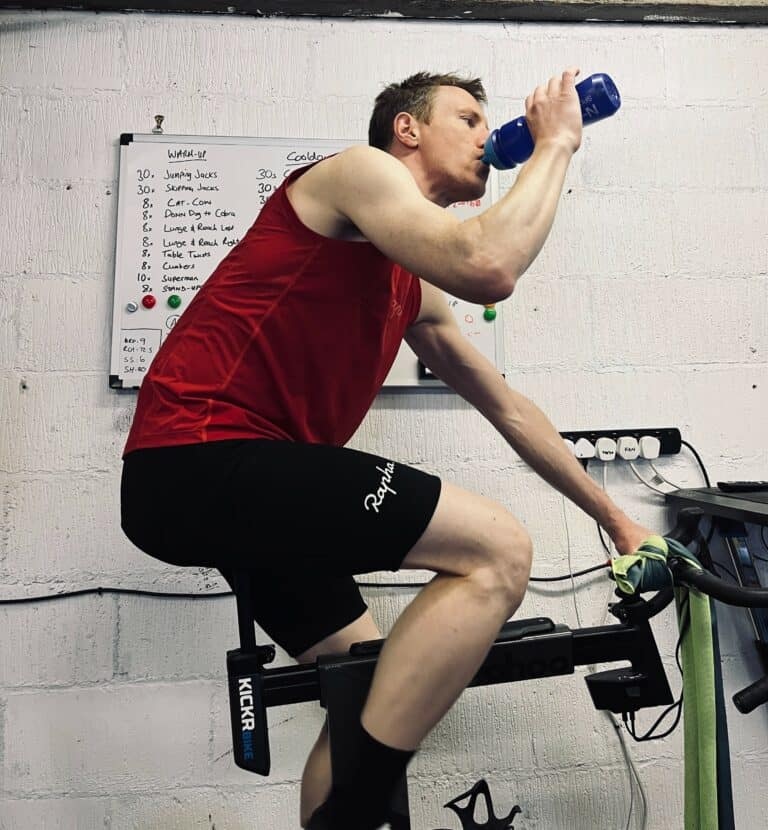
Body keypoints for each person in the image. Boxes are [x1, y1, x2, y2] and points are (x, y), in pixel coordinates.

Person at [120, 67, 656, 830]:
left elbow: (507, 408)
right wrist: (557, 144)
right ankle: (355, 811)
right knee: (499, 549)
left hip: (238, 485)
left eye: (488, 123)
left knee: (370, 687)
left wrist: (616, 519)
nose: (485, 136)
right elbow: (489, 265)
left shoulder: (412, 284)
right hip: (197, 458)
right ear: (408, 128)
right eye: (468, 119)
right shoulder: (357, 172)